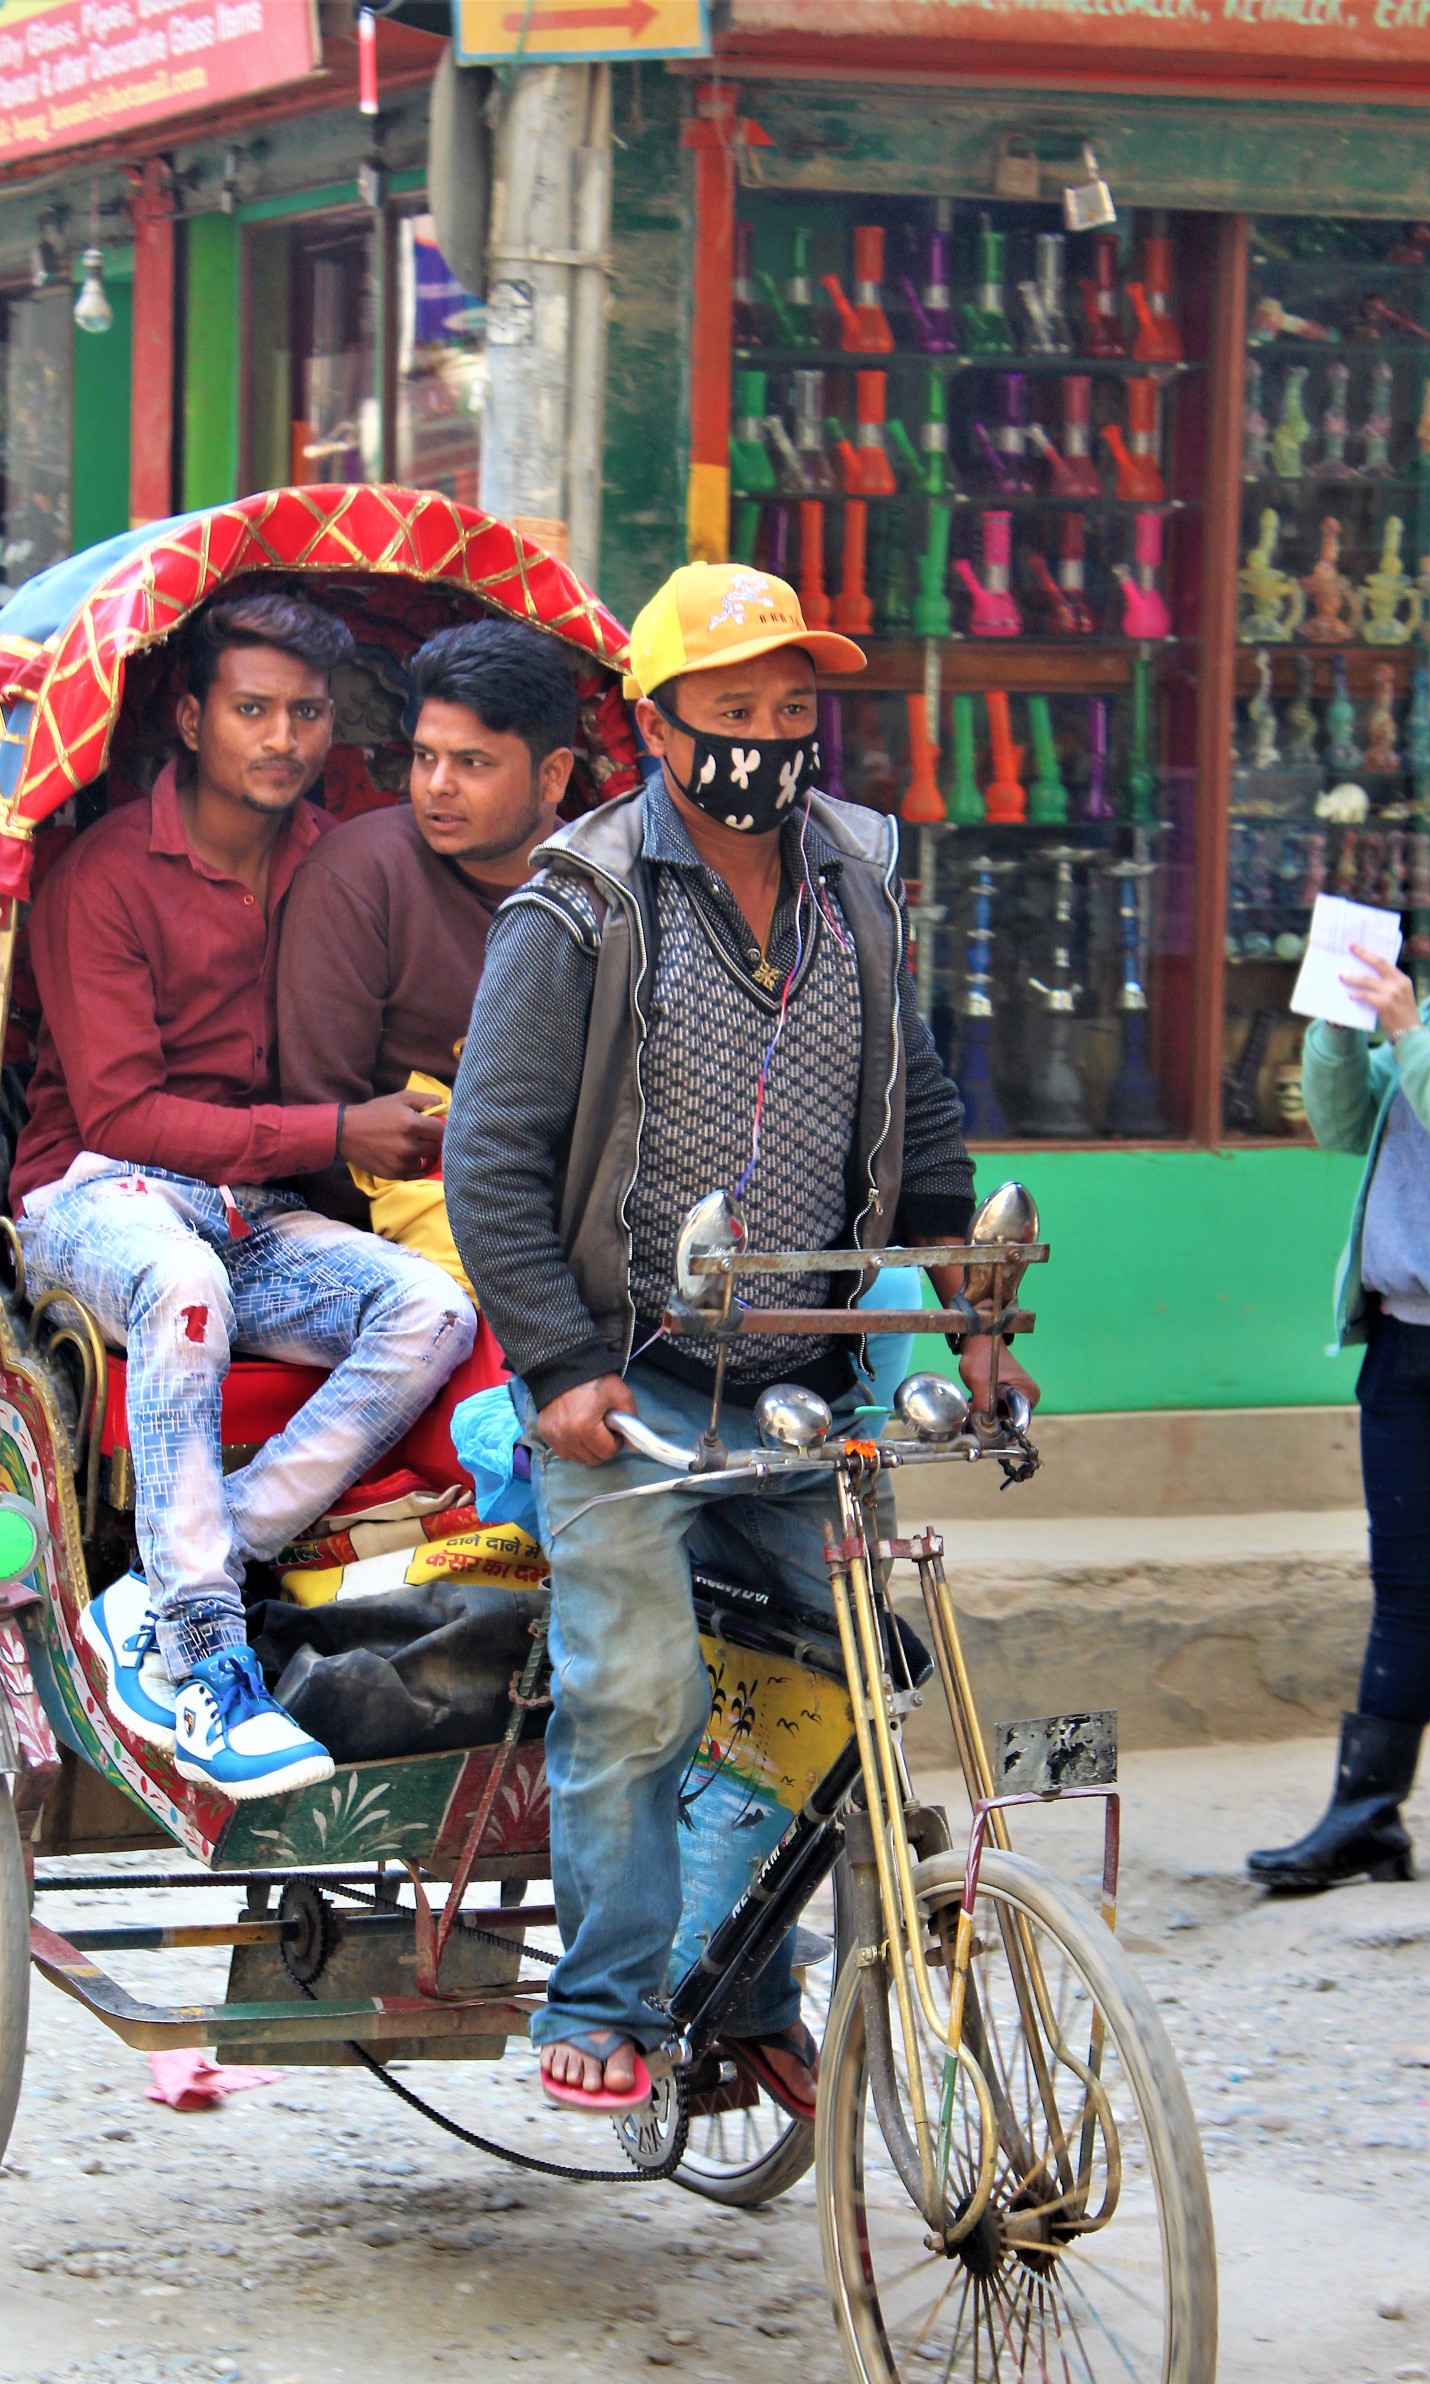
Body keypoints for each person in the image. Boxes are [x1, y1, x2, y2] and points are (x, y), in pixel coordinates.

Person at [443, 562, 1037, 2111]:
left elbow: (920, 1133)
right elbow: (490, 1160)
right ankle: (607, 2004)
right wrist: (560, 1369)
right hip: (630, 1383)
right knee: (639, 1694)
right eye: (732, 712)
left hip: (808, 1374)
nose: (768, 740)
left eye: (792, 710)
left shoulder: (856, 881)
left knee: (830, 1697)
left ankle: (744, 1988)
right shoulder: (575, 905)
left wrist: (973, 1326)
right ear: (655, 723)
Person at [9, 590, 476, 1800]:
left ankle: (171, 1586)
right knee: (184, 1286)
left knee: (432, 1311)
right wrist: (334, 1128)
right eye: (254, 710)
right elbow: (118, 1113)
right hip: (96, 1198)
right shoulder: (106, 877)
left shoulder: (344, 859)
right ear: (192, 717)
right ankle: (212, 1661)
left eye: (307, 714)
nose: (282, 739)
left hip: (258, 1208)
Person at [275, 618, 579, 1291]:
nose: (437, 785)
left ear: (553, 775)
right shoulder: (359, 873)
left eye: (472, 763)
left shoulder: (602, 887)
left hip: (582, 1200)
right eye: (424, 757)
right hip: (404, 1227)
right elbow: (319, 1116)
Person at [1248, 948, 1430, 1892]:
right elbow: (1345, 1121)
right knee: (1406, 1593)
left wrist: (1408, 1029)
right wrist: (1339, 1024)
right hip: (1407, 1348)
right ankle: (1368, 1818)